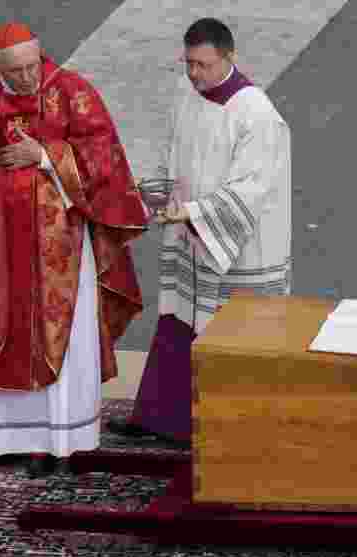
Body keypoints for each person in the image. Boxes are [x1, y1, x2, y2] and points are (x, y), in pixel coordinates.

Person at [0, 22, 149, 476]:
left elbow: (104, 155)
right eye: (16, 71)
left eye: (33, 66)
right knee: (3, 330)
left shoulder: (71, 91)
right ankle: (5, 438)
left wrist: (47, 155)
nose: (28, 78)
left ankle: (58, 440)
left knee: (60, 339)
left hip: (60, 247)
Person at [105, 18, 291, 445]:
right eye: (188, 63)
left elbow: (251, 188)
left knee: (229, 334)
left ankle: (225, 429)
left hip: (237, 246)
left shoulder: (256, 114)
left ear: (230, 58)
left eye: (203, 65)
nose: (194, 74)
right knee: (178, 318)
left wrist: (193, 212)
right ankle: (159, 418)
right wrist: (155, 190)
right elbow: (174, 150)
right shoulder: (186, 94)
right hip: (190, 232)